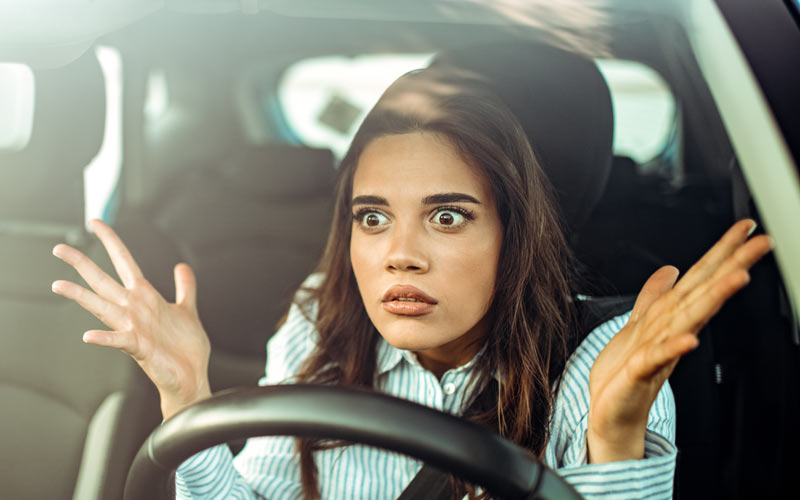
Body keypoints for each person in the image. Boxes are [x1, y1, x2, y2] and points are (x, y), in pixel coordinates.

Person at [51, 67, 771, 499]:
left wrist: (615, 438)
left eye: (448, 217)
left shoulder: (607, 355)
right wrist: (186, 396)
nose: (399, 255)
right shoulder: (319, 318)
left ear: (513, 235)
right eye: (372, 218)